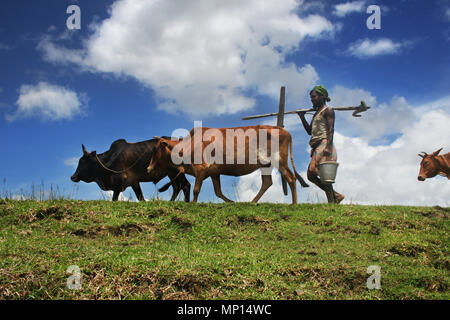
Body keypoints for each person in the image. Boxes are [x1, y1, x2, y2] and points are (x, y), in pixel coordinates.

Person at [297, 85, 344, 204]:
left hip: (324, 144)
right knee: (311, 176)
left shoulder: (328, 111)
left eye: (314, 97)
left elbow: (331, 129)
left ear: (322, 97)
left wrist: (328, 146)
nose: (311, 100)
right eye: (310, 98)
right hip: (316, 146)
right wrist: (302, 117)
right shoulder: (316, 114)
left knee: (312, 170)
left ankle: (334, 197)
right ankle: (334, 198)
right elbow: (309, 131)